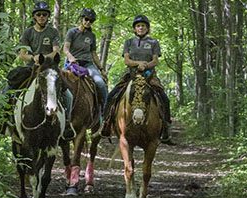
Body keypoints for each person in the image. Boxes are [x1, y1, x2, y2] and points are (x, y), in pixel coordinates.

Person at [5, 0, 74, 139]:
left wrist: (43, 58)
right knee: (8, 88)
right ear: (34, 16)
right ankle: (5, 121)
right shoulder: (28, 32)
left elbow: (56, 51)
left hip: (48, 69)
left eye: (44, 14)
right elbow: (22, 55)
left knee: (68, 96)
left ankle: (66, 123)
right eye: (39, 14)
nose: (41, 17)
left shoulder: (53, 32)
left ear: (48, 16)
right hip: (30, 69)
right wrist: (33, 58)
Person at [101, 14, 173, 143]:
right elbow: (127, 61)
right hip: (130, 74)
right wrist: (138, 64)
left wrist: (145, 65)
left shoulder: (153, 42)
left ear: (147, 28)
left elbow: (155, 61)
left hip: (149, 75)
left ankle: (166, 127)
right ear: (134, 28)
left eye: (143, 26)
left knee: (164, 99)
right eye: (138, 26)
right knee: (112, 95)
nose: (141, 28)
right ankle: (106, 123)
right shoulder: (129, 42)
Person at [62, 8, 108, 117]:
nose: (88, 22)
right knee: (60, 83)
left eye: (91, 21)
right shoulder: (72, 32)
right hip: (72, 63)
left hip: (87, 64)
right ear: (82, 18)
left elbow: (93, 54)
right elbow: (65, 49)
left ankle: (105, 113)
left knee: (100, 83)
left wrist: (101, 69)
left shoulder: (91, 36)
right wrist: (71, 58)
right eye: (86, 19)